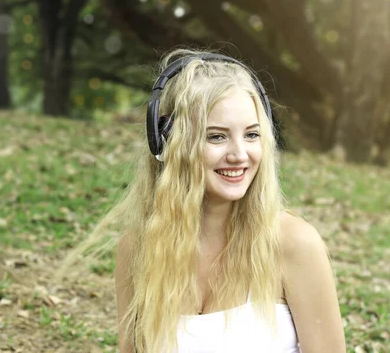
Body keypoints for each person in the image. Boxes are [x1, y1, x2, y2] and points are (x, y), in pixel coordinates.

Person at [69, 49, 346, 352]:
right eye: (216, 136)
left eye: (251, 135)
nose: (239, 154)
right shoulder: (138, 250)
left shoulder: (295, 243)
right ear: (168, 143)